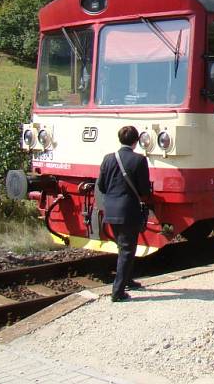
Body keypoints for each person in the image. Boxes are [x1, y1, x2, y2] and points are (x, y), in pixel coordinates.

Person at [96, 125, 151, 302]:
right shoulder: (139, 160)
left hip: (110, 209)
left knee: (122, 248)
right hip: (128, 210)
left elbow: (101, 186)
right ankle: (118, 292)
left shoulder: (108, 159)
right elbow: (143, 190)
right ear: (136, 141)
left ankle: (127, 280)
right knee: (127, 250)